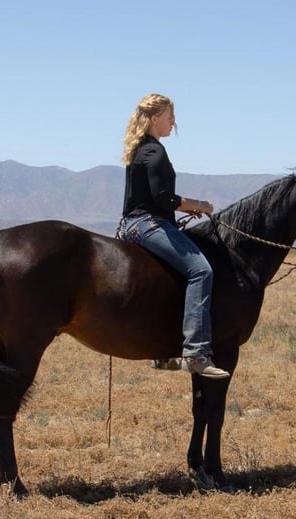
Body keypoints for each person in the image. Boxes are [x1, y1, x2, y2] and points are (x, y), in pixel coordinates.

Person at [119, 93, 230, 380]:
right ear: (155, 119)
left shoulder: (140, 148)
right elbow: (164, 198)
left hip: (132, 224)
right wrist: (199, 206)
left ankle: (163, 352)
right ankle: (196, 352)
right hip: (147, 225)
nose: (173, 123)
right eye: (169, 117)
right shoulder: (155, 152)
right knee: (201, 271)